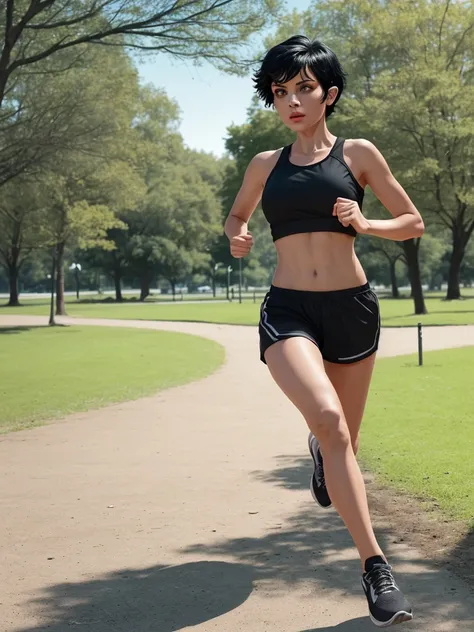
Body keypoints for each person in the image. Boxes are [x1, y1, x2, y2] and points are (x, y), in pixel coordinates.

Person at [224, 35, 424, 628]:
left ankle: (321, 449)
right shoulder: (265, 165)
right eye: (280, 91)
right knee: (331, 420)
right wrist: (235, 235)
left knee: (343, 449)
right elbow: (237, 214)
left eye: (304, 88)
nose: (292, 100)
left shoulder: (358, 154)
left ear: (328, 94)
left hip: (352, 310)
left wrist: (366, 222)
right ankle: (375, 567)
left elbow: (412, 222)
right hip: (288, 310)